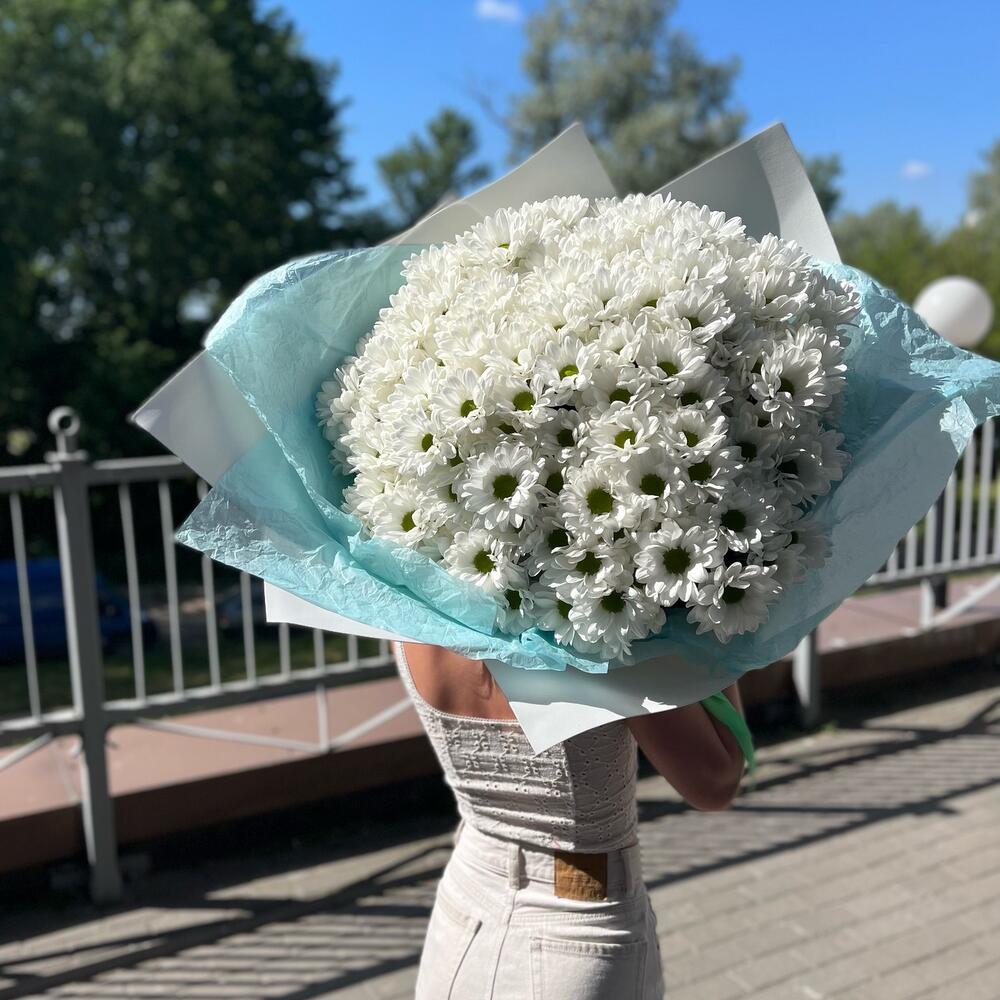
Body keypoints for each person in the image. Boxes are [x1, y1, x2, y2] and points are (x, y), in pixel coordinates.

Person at [396, 641, 748, 999]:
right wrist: (715, 626)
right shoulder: (594, 627)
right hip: (579, 932)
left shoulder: (414, 610)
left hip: (461, 910)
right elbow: (715, 782)